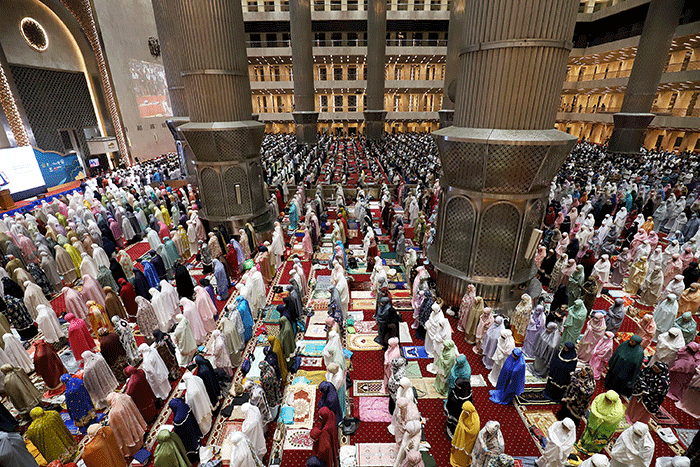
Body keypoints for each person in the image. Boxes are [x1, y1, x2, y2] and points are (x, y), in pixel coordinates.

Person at [576, 390, 625, 455]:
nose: (606, 400)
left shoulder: (618, 410)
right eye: (606, 398)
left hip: (605, 427)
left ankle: (592, 450)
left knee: (598, 438)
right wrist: (598, 417)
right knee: (589, 432)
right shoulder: (601, 397)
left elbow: (611, 419)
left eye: (609, 400)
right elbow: (594, 405)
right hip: (594, 422)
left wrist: (600, 417)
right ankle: (583, 443)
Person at [449, 401, 480, 467]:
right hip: (461, 437)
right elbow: (461, 419)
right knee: (458, 452)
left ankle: (462, 463)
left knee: (463, 454)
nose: (464, 411)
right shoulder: (466, 413)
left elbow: (473, 431)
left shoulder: (475, 419)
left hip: (467, 440)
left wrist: (463, 429)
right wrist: (462, 427)